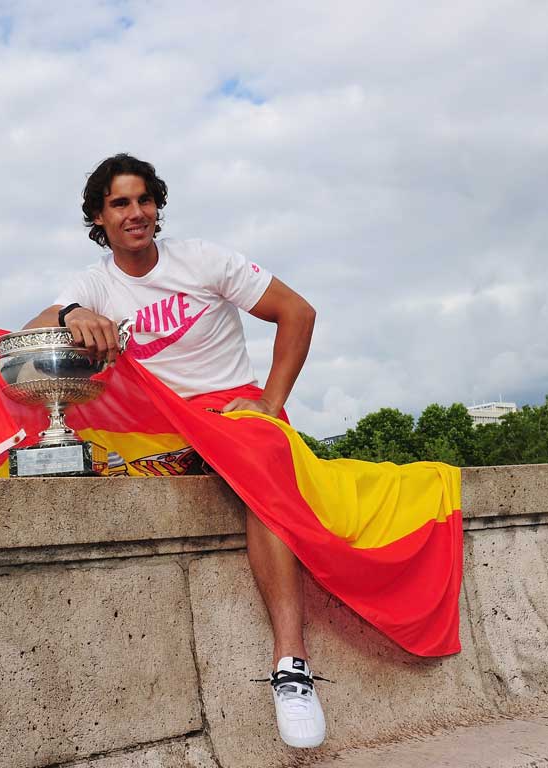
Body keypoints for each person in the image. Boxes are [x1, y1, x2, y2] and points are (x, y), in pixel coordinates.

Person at [24, 153, 324, 749]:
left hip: (228, 412)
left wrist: (269, 401)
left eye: (144, 200)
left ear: (157, 206)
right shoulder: (94, 284)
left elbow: (297, 312)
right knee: (55, 467)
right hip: (156, 427)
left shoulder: (204, 260)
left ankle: (291, 667)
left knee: (262, 475)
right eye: (120, 204)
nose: (135, 214)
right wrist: (72, 313)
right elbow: (30, 335)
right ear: (98, 218)